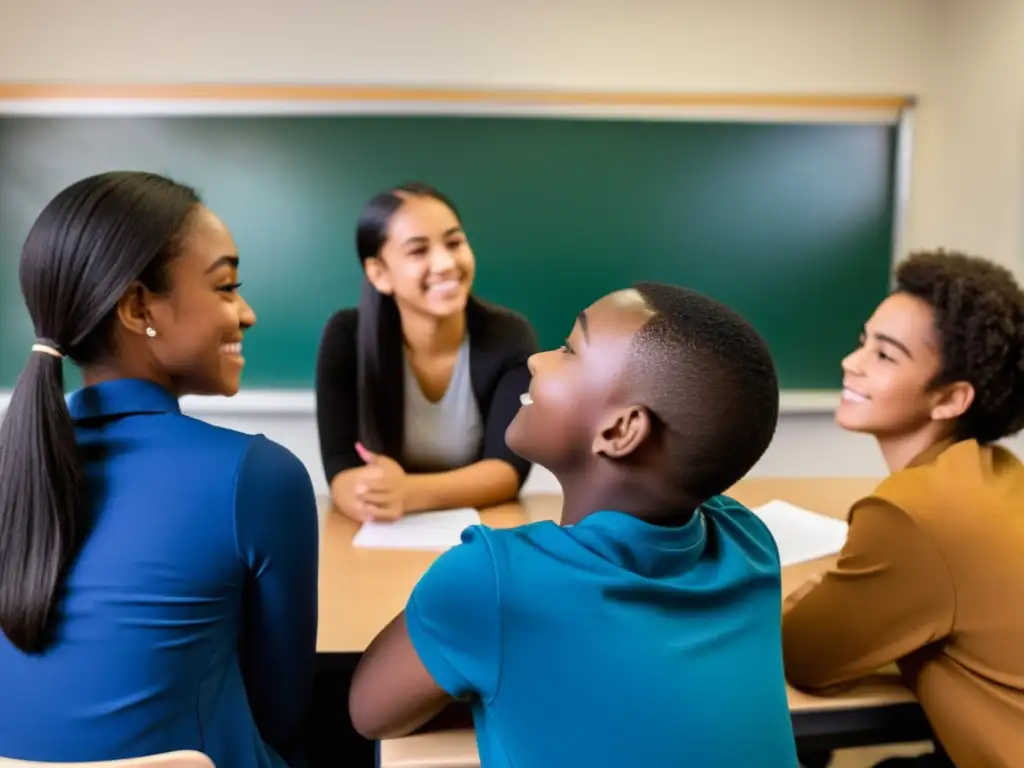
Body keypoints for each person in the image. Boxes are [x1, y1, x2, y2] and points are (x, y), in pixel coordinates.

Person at [348, 283, 800, 767]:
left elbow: (370, 714)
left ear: (621, 431)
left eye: (568, 350)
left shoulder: (493, 582)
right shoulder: (750, 543)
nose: (536, 360)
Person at [0, 172, 319, 767]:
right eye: (226, 286)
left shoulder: (12, 465)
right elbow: (282, 711)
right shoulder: (258, 477)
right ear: (137, 306)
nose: (246, 313)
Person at [782, 250, 1024, 768]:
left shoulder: (917, 512)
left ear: (951, 399)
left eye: (885, 356)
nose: (851, 363)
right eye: (862, 342)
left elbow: (804, 657)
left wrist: (810, 591)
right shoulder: (996, 471)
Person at [315, 182, 537, 523]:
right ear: (379, 273)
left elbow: (507, 470)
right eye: (418, 251)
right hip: (383, 536)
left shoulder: (509, 336)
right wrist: (362, 492)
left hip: (485, 529)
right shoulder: (346, 336)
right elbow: (341, 467)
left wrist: (408, 492)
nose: (446, 263)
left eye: (454, 242)